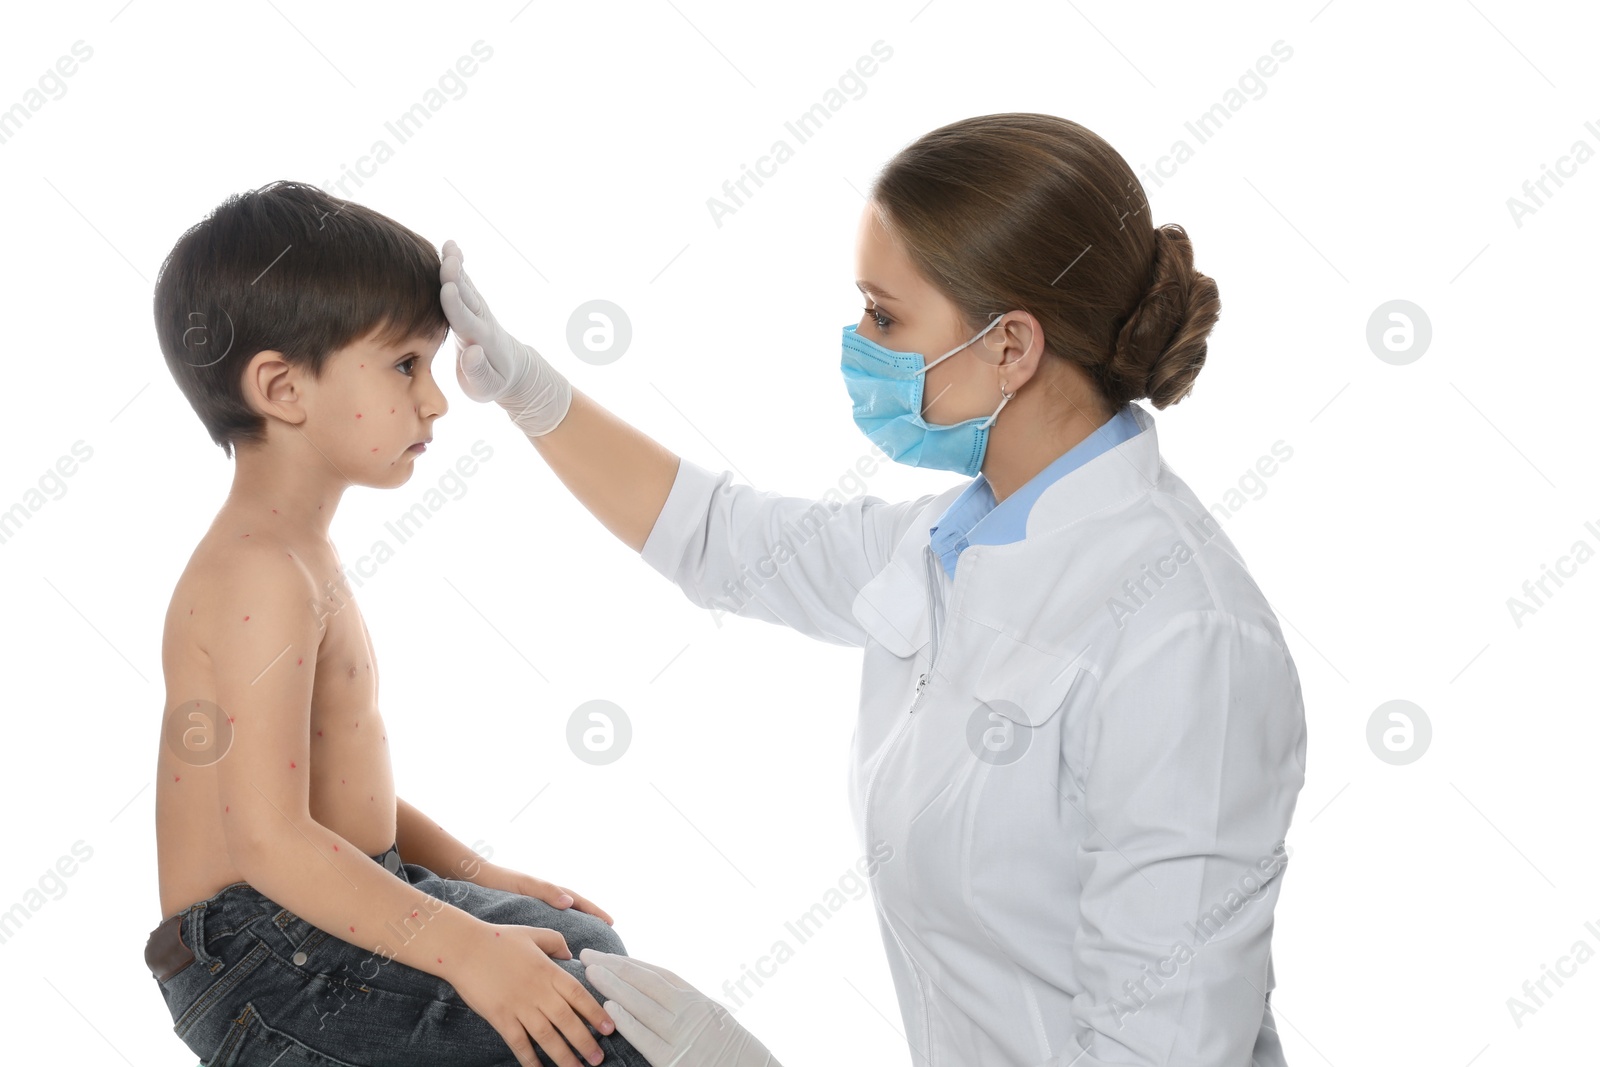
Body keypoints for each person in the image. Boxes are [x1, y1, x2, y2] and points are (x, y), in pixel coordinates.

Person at [441, 112, 1307, 1067]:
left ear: (1011, 345)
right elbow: (719, 536)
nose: (859, 342)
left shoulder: (1186, 639)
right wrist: (531, 391)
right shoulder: (953, 540)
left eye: (885, 316)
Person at [143, 181, 652, 1067]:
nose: (437, 399)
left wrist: (475, 877)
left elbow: (324, 787)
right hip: (266, 963)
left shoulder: (298, 551)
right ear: (282, 386)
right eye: (406, 364)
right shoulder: (257, 575)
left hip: (333, 895)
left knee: (584, 950)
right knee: (597, 1040)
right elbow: (269, 836)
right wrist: (465, 944)